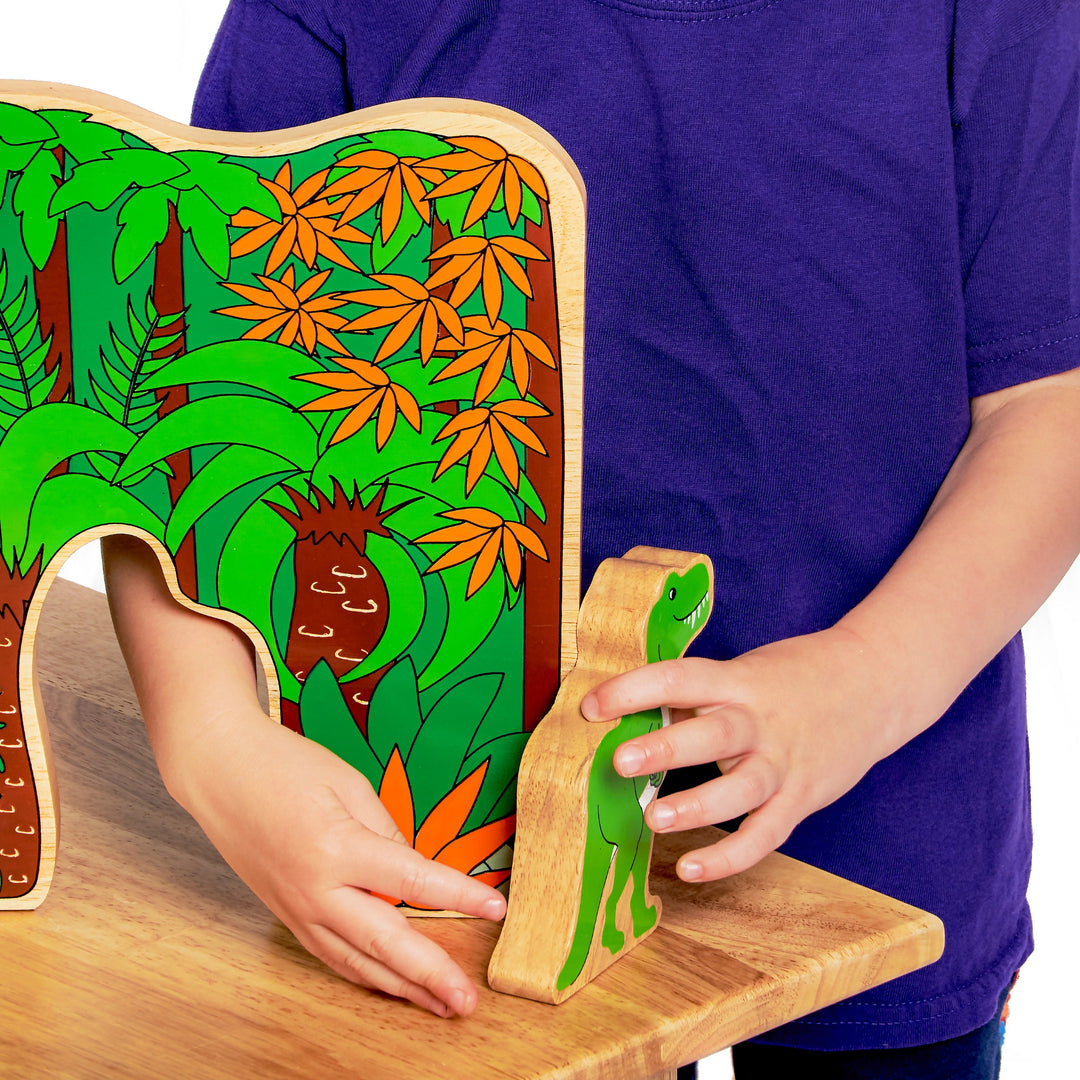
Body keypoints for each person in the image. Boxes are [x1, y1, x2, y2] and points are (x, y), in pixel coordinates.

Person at [104, 0, 1080, 1074]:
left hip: (889, 811)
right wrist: (208, 740)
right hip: (444, 845)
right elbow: (187, 385)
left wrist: (860, 685)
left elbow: (1049, 406)